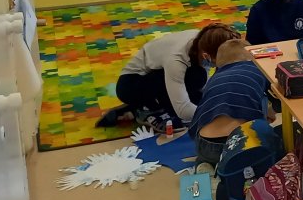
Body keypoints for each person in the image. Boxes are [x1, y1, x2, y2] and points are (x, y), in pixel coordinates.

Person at [96, 23, 241, 128]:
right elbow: (183, 110)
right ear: (206, 55)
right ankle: (147, 108)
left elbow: (207, 88)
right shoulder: (176, 60)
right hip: (131, 83)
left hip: (160, 74)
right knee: (188, 107)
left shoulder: (204, 40)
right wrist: (217, 114)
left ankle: (145, 105)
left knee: (200, 87)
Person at [190, 39, 276, 166]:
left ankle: (209, 164)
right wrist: (271, 113)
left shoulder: (214, 78)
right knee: (273, 142)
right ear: (252, 58)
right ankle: (232, 166)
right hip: (238, 145)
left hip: (204, 144)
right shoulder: (257, 68)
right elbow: (277, 95)